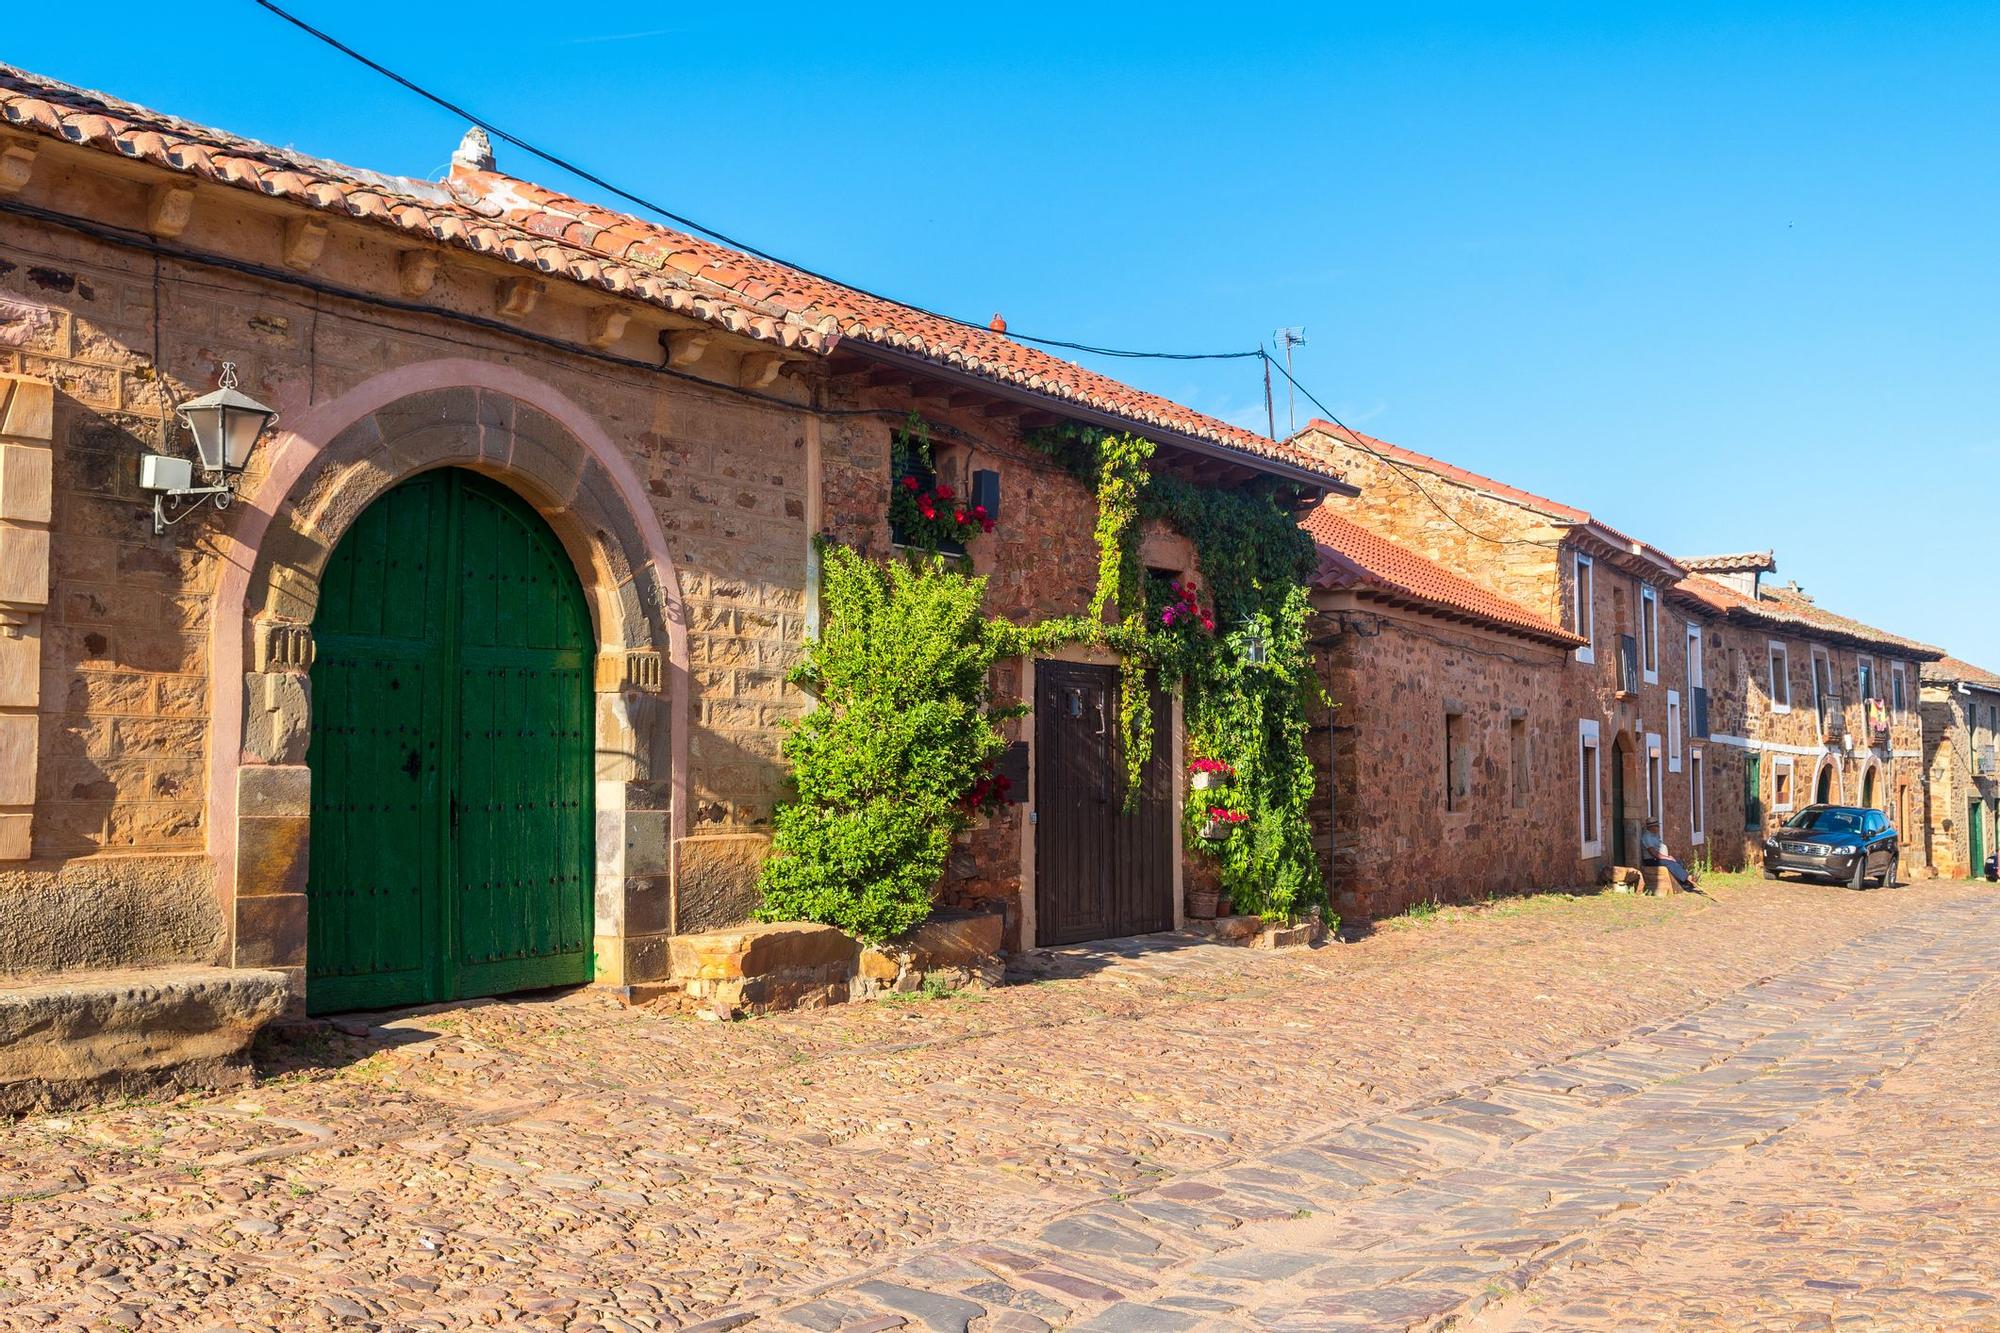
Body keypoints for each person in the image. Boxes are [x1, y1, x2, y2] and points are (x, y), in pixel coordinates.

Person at [1640, 818, 1700, 891]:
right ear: (1651, 827)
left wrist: (1668, 856)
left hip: (1659, 858)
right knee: (1669, 863)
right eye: (1657, 826)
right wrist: (1667, 858)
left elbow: (1660, 847)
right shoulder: (1646, 837)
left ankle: (1683, 884)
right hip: (1651, 860)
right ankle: (1688, 878)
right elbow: (1654, 853)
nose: (1658, 827)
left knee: (1679, 862)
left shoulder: (1655, 835)